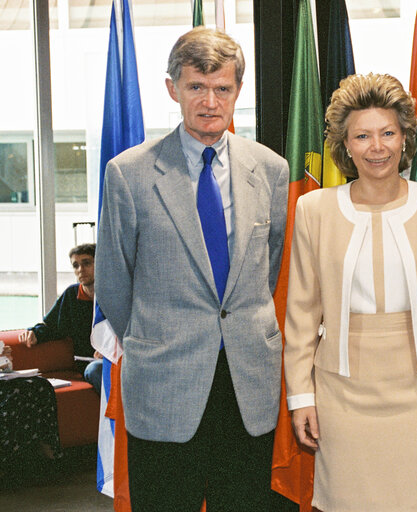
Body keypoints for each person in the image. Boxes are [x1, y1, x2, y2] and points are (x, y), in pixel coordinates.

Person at [95, 27, 288, 510]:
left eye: (222, 88)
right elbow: (115, 283)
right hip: (165, 380)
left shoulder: (271, 170)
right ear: (172, 89)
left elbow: (269, 268)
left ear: (237, 92)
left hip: (247, 382)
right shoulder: (130, 173)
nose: (209, 101)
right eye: (196, 87)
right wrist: (154, 338)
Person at [284, 73, 417, 512]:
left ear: (405, 137)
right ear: (345, 144)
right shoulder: (313, 209)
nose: (378, 147)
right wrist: (301, 398)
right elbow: (300, 317)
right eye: (363, 136)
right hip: (340, 397)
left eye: (388, 133)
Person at [19, 243, 103, 393]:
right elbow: (52, 326)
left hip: (117, 359)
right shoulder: (71, 295)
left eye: (86, 263)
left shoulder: (114, 294)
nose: (80, 270)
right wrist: (34, 332)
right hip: (88, 364)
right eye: (75, 265)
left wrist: (110, 350)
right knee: (95, 370)